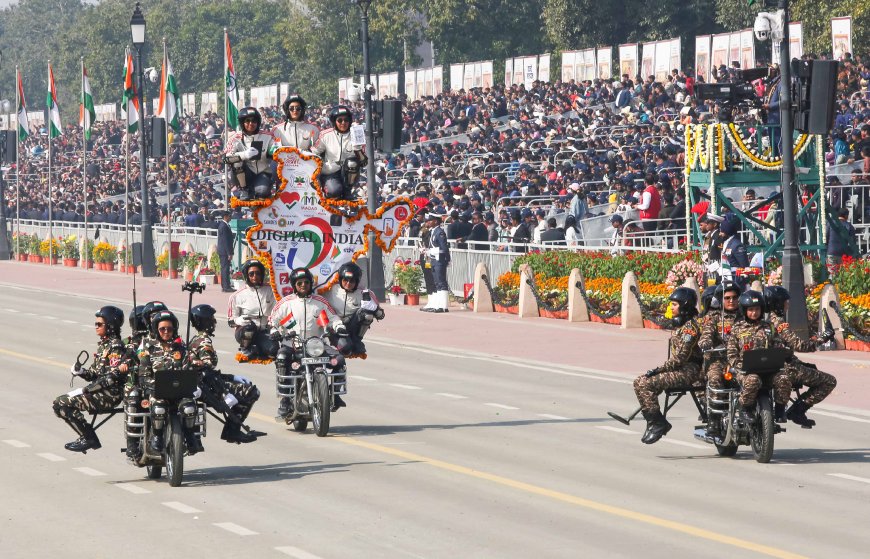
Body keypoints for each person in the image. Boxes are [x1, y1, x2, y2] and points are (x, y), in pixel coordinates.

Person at [270, 267, 348, 416]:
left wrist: (339, 327)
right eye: (300, 283)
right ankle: (285, 401)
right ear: (294, 285)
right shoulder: (286, 303)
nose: (303, 285)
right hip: (293, 345)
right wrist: (274, 330)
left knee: (339, 360)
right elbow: (273, 320)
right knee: (281, 358)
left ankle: (335, 395)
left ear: (311, 283)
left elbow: (333, 318)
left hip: (316, 345)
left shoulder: (320, 302)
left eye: (306, 282)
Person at [632, 288, 704, 444]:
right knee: (639, 382)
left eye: (674, 304)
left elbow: (680, 358)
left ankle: (658, 424)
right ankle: (654, 422)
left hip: (689, 371)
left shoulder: (690, 329)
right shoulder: (681, 325)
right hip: (679, 369)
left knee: (645, 383)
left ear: (684, 306)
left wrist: (660, 369)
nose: (671, 308)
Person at [53, 306, 127, 453]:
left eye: (99, 324)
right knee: (58, 404)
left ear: (110, 326)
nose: (96, 327)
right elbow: (95, 374)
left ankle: (89, 438)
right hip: (99, 391)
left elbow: (112, 377)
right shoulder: (104, 345)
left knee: (62, 404)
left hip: (109, 395)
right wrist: (81, 371)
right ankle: (87, 436)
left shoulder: (116, 347)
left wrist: (87, 390)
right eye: (96, 324)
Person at [763, 286, 837, 428]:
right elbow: (800, 346)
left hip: (771, 364)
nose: (787, 305)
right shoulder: (778, 322)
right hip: (786, 367)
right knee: (829, 381)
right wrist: (823, 338)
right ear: (777, 304)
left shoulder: (763, 320)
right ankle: (798, 410)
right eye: (785, 302)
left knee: (810, 368)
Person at [186, 304, 260, 444]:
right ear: (204, 322)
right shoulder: (204, 342)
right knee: (251, 392)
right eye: (211, 319)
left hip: (205, 383)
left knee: (244, 385)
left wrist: (231, 377)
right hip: (207, 387)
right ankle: (232, 431)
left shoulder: (197, 339)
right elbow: (205, 369)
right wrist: (224, 392)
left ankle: (232, 429)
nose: (214, 322)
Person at [134, 310, 200, 454]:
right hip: (157, 391)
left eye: (169, 329)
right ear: (156, 330)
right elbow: (143, 375)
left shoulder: (181, 349)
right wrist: (154, 386)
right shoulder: (148, 349)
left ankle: (190, 435)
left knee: (189, 407)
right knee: (159, 408)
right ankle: (157, 436)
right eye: (162, 329)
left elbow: (187, 370)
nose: (166, 332)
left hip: (179, 391)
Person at [726, 291, 792, 422]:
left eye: (757, 309)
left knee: (784, 378)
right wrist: (739, 366)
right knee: (753, 380)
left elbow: (778, 344)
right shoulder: (737, 328)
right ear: (744, 310)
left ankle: (779, 410)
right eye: (750, 310)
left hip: (768, 370)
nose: (754, 313)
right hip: (746, 371)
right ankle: (745, 409)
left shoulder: (769, 327)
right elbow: (731, 353)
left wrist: (784, 351)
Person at [697, 283, 741, 437]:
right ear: (720, 300)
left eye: (735, 298)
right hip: (719, 359)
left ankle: (760, 414)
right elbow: (706, 335)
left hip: (741, 360)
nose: (731, 301)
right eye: (727, 298)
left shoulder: (745, 316)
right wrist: (706, 342)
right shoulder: (714, 318)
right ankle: (714, 420)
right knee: (715, 379)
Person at [324, 262, 385, 355]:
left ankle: (357, 340)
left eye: (352, 281)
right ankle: (344, 344)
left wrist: (375, 309)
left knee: (366, 314)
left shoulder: (365, 293)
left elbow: (381, 316)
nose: (348, 283)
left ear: (357, 281)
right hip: (336, 327)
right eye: (345, 280)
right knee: (346, 349)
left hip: (353, 326)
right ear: (340, 279)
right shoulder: (330, 290)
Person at [312, 105, 367, 202]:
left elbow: (364, 162)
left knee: (352, 162)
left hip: (349, 174)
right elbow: (314, 152)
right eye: (340, 120)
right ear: (334, 121)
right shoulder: (325, 135)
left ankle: (347, 191)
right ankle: (327, 191)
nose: (343, 123)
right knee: (334, 191)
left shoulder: (356, 134)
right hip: (330, 172)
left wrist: (357, 149)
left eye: (346, 120)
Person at [227, 258, 277, 361]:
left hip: (264, 330)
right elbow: (230, 321)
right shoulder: (236, 296)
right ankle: (245, 349)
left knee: (274, 350)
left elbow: (277, 310)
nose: (255, 276)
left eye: (258, 273)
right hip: (245, 331)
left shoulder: (271, 290)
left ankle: (260, 348)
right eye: (251, 274)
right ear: (246, 276)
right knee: (249, 328)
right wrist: (238, 320)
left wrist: (273, 326)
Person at [225, 106, 276, 201]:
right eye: (247, 121)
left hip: (262, 172)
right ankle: (243, 189)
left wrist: (275, 149)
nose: (251, 124)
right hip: (244, 174)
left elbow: (275, 149)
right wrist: (244, 155)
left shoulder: (267, 136)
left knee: (262, 192)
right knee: (237, 161)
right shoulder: (235, 138)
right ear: (242, 122)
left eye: (254, 121)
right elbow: (226, 159)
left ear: (258, 122)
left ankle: (260, 190)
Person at [421, 208, 451, 313]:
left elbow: (443, 249)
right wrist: (427, 251)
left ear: (436, 221)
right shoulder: (434, 231)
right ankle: (438, 304)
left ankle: (443, 306)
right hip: (434, 260)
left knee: (441, 282)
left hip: (439, 260)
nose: (428, 222)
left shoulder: (440, 232)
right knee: (437, 283)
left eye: (430, 220)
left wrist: (430, 251)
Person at [719, 217, 749, 290]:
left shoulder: (736, 244)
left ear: (727, 232)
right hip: (727, 277)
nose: (720, 234)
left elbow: (744, 264)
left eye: (722, 232)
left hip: (736, 279)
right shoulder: (727, 242)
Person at [825, 207, 857, 272]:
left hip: (831, 252)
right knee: (841, 275)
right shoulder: (849, 226)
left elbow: (826, 237)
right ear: (846, 216)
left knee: (832, 274)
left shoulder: (830, 223)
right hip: (843, 254)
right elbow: (853, 242)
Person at [217, 211, 235, 292]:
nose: (230, 217)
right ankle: (226, 287)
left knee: (225, 269)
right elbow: (225, 241)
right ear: (225, 216)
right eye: (229, 216)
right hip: (224, 252)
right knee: (225, 269)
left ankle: (225, 285)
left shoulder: (224, 225)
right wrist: (229, 253)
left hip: (223, 251)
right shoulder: (223, 226)